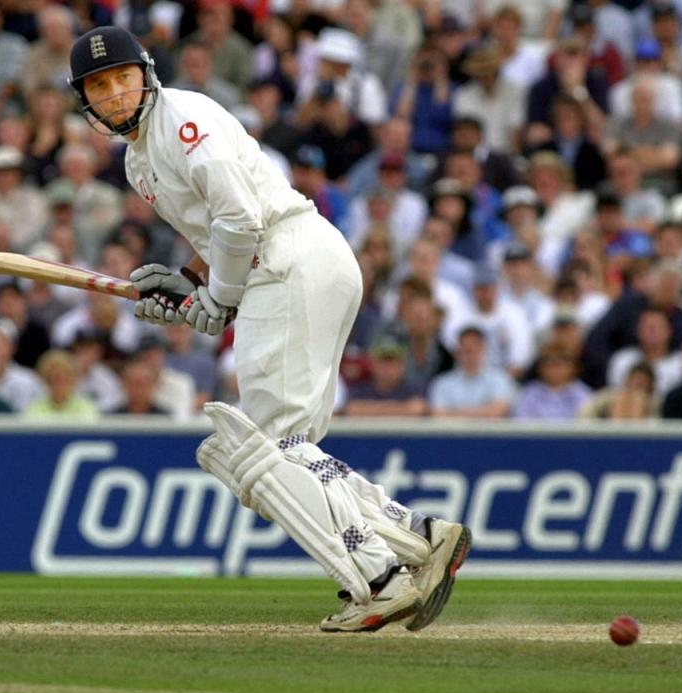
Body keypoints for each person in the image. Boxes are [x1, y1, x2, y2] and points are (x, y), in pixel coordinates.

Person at [68, 26, 470, 633]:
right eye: (101, 86)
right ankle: (419, 537)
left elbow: (240, 219)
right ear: (88, 101)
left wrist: (217, 297)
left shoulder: (184, 119)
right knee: (291, 451)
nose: (117, 94)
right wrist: (191, 282)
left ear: (146, 72)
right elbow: (219, 233)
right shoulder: (137, 161)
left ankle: (382, 576)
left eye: (123, 77)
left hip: (288, 261)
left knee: (262, 447)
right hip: (294, 266)